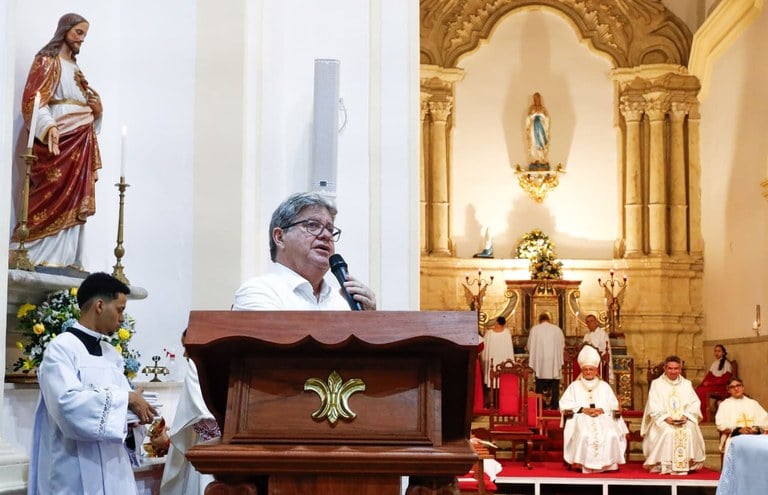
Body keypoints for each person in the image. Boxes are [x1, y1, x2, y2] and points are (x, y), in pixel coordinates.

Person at [28, 272, 157, 494]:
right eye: (120, 309)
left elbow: (123, 414)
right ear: (99, 305)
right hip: (74, 470)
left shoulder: (111, 354)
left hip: (115, 472)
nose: (122, 318)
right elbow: (67, 405)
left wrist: (133, 420)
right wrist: (126, 399)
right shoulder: (61, 349)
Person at [13, 13, 104, 268]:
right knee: (51, 191)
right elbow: (33, 101)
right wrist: (49, 125)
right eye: (79, 33)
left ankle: (65, 258)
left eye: (85, 35)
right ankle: (34, 250)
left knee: (75, 196)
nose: (82, 40)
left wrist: (97, 112)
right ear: (65, 30)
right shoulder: (47, 61)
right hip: (57, 141)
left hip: (81, 141)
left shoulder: (76, 69)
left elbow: (85, 104)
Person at [233, 191, 376, 310]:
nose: (326, 235)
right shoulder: (258, 292)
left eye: (330, 229)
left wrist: (367, 323)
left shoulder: (344, 303)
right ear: (280, 237)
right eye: (312, 225)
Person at [151, 330, 221, 495]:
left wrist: (168, 443)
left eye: (187, 347)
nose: (184, 354)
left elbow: (207, 426)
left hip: (205, 459)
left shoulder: (196, 367)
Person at [560, 345, 628, 473]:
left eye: (591, 369)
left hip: (603, 417)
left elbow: (613, 405)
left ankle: (608, 465)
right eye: (586, 369)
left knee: (611, 434)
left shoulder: (604, 386)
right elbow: (564, 403)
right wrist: (582, 409)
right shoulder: (574, 386)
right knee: (585, 435)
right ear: (582, 370)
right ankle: (583, 464)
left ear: (596, 370)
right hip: (580, 417)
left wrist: (601, 410)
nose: (589, 372)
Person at [641, 355, 706, 474]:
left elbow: (694, 402)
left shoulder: (687, 384)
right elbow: (653, 403)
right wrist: (665, 417)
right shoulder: (656, 384)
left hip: (683, 419)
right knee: (668, 431)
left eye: (676, 369)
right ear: (665, 369)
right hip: (664, 419)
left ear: (680, 369)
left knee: (690, 428)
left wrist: (686, 416)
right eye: (670, 368)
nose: (673, 371)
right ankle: (665, 464)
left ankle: (687, 462)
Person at [715, 378, 768, 456]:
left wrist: (755, 429)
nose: (736, 388)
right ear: (729, 390)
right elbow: (720, 424)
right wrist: (739, 430)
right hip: (735, 437)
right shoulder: (725, 405)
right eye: (732, 387)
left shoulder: (753, 403)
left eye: (738, 385)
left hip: (755, 436)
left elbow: (765, 420)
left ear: (743, 387)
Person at [526, 312, 565, 409]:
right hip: (554, 361)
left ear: (539, 320)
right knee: (555, 383)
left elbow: (530, 345)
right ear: (549, 319)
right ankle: (554, 405)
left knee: (539, 382)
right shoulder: (557, 329)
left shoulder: (535, 329)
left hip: (540, 362)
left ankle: (540, 405)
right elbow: (562, 345)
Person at [481, 316, 515, 403]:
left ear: (497, 322)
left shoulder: (489, 333)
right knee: (501, 382)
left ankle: (491, 403)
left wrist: (484, 360)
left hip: (492, 361)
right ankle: (501, 403)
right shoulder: (507, 333)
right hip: (503, 361)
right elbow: (510, 349)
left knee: (491, 382)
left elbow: (484, 349)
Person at [695, 344, 733, 419]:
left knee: (702, 392)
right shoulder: (715, 363)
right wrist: (703, 383)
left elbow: (725, 379)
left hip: (720, 387)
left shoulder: (727, 364)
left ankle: (705, 416)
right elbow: (708, 376)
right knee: (698, 389)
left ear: (723, 353)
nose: (716, 353)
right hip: (713, 385)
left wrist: (710, 383)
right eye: (715, 351)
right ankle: (698, 414)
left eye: (719, 351)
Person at [581, 313, 612, 384]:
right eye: (587, 322)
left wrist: (592, 347)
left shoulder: (602, 334)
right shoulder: (586, 335)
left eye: (591, 321)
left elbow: (604, 350)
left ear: (596, 322)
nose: (589, 323)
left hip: (599, 364)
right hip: (588, 363)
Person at [525, 92, 550, 167]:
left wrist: (541, 114)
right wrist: (534, 114)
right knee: (533, 142)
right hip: (533, 126)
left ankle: (542, 158)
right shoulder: (531, 108)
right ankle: (534, 159)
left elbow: (546, 118)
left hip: (541, 126)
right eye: (535, 99)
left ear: (540, 99)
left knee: (541, 141)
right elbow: (528, 117)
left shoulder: (543, 108)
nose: (536, 101)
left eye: (538, 99)